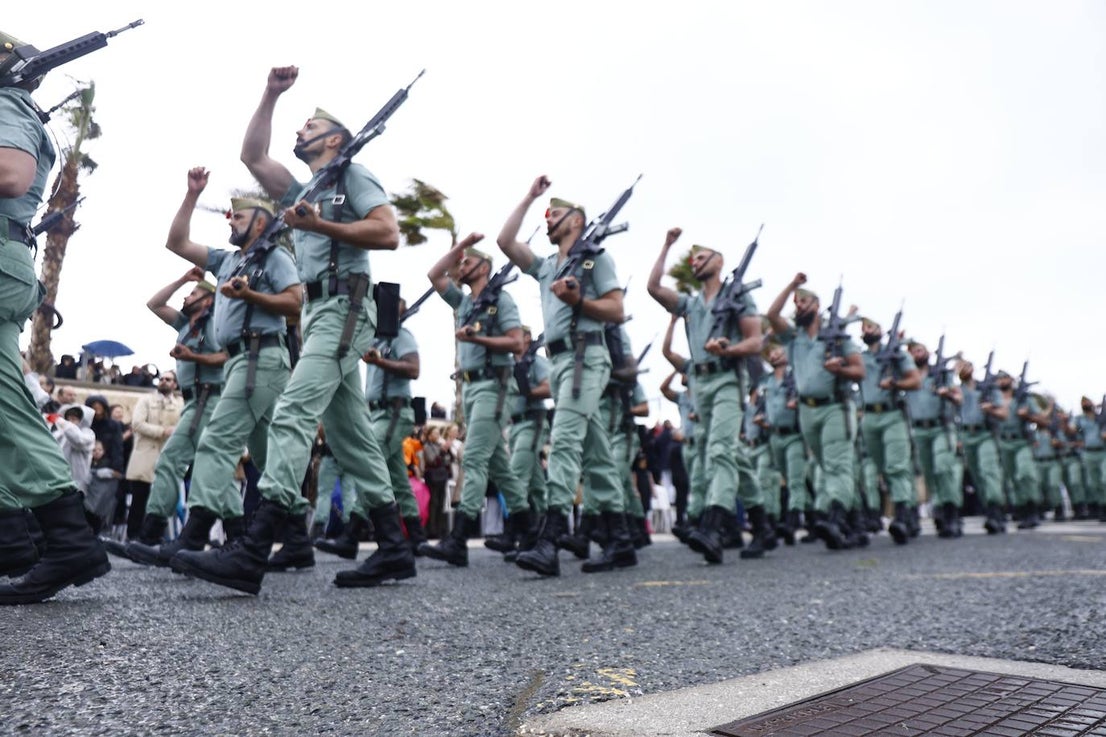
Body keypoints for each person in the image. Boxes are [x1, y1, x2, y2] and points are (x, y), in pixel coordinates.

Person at [173, 66, 414, 593]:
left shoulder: (352, 177)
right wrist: (270, 94)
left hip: (346, 307)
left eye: (311, 125)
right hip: (320, 314)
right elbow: (253, 156)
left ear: (335, 139)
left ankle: (254, 548)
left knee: (293, 411)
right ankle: (395, 548)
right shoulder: (306, 189)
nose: (300, 129)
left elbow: (387, 232)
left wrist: (319, 224)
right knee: (351, 437)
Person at [139, 168, 300, 574]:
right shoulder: (228, 260)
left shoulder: (274, 258)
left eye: (238, 216)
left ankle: (191, 537)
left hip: (259, 358)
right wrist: (192, 195)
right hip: (246, 362)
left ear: (260, 223)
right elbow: (177, 242)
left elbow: (296, 303)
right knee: (266, 453)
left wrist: (252, 295)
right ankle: (298, 538)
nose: (230, 221)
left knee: (216, 442)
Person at [0, 31, 110, 602]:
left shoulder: (7, 105)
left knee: (5, 402)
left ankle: (68, 539)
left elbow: (11, 176)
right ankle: (13, 539)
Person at [497, 176, 633, 576]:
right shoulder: (547, 267)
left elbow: (616, 310)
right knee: (596, 452)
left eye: (554, 213)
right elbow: (506, 242)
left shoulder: (596, 260)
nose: (548, 218)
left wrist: (579, 301)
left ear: (576, 220)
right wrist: (529, 197)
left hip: (585, 357)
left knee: (565, 442)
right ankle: (621, 540)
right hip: (559, 363)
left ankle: (550, 538)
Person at [647, 228, 766, 564]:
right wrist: (666, 245)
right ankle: (762, 525)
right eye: (693, 259)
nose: (695, 262)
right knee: (732, 456)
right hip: (701, 385)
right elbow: (654, 288)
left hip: (728, 379)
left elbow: (755, 340)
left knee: (720, 451)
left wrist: (729, 349)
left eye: (702, 257)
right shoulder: (691, 303)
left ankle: (713, 528)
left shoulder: (737, 296)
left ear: (719, 261)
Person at [420, 237, 527, 567]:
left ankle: (459, 539)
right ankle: (528, 527)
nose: (461, 267)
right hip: (471, 389)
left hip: (494, 385)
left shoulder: (502, 300)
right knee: (499, 467)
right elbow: (434, 275)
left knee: (474, 458)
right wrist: (462, 245)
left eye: (467, 262)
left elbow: (515, 343)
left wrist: (478, 338)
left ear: (484, 268)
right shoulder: (465, 302)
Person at [119, 271, 227, 565]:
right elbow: (154, 304)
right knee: (184, 464)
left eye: (194, 293)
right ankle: (150, 536)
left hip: (211, 399)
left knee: (206, 466)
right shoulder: (184, 324)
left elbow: (229, 355)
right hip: (193, 402)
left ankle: (155, 536)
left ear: (209, 300)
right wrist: (183, 280)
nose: (186, 297)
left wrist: (193, 357)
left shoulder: (218, 322)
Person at [765, 274, 866, 550]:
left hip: (835, 406)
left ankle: (835, 520)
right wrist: (792, 285)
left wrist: (840, 369)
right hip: (807, 411)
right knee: (827, 466)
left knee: (836, 465)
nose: (798, 306)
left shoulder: (837, 337)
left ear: (817, 306)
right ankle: (856, 522)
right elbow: (771, 315)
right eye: (796, 303)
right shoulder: (793, 338)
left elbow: (859, 371)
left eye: (804, 301)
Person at [856, 315, 921, 544]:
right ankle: (909, 510)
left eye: (871, 326)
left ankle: (902, 517)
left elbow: (915, 381)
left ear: (881, 330)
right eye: (863, 328)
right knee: (883, 468)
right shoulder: (860, 357)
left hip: (892, 414)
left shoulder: (897, 355)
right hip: (869, 417)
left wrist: (895, 383)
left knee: (897, 466)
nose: (867, 331)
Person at [489, 326, 550, 560]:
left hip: (532, 421)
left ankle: (513, 535)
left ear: (527, 338)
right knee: (536, 487)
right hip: (515, 426)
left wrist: (528, 391)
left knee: (516, 476)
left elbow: (549, 387)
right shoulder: (512, 364)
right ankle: (543, 534)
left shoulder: (536, 361)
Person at [904, 339, 962, 538]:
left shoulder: (941, 374)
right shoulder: (907, 375)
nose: (918, 354)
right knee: (928, 473)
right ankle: (939, 508)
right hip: (918, 430)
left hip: (941, 428)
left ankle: (951, 513)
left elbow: (958, 398)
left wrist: (948, 394)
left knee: (943, 468)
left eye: (920, 350)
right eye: (913, 351)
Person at [121, 370, 183, 540]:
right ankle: (133, 536)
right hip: (144, 457)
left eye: (168, 379)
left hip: (167, 457)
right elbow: (137, 423)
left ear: (175, 384)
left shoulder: (180, 404)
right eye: (161, 378)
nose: (163, 381)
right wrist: (162, 431)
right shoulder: (145, 400)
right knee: (139, 500)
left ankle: (153, 536)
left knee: (161, 500)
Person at [947, 359, 1006, 533]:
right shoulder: (958, 391)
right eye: (958, 368)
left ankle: (995, 512)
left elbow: (1003, 413)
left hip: (985, 434)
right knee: (977, 475)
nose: (961, 370)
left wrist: (990, 408)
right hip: (966, 436)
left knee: (989, 471)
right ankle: (989, 509)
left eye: (964, 366)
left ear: (972, 368)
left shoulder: (987, 388)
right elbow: (953, 416)